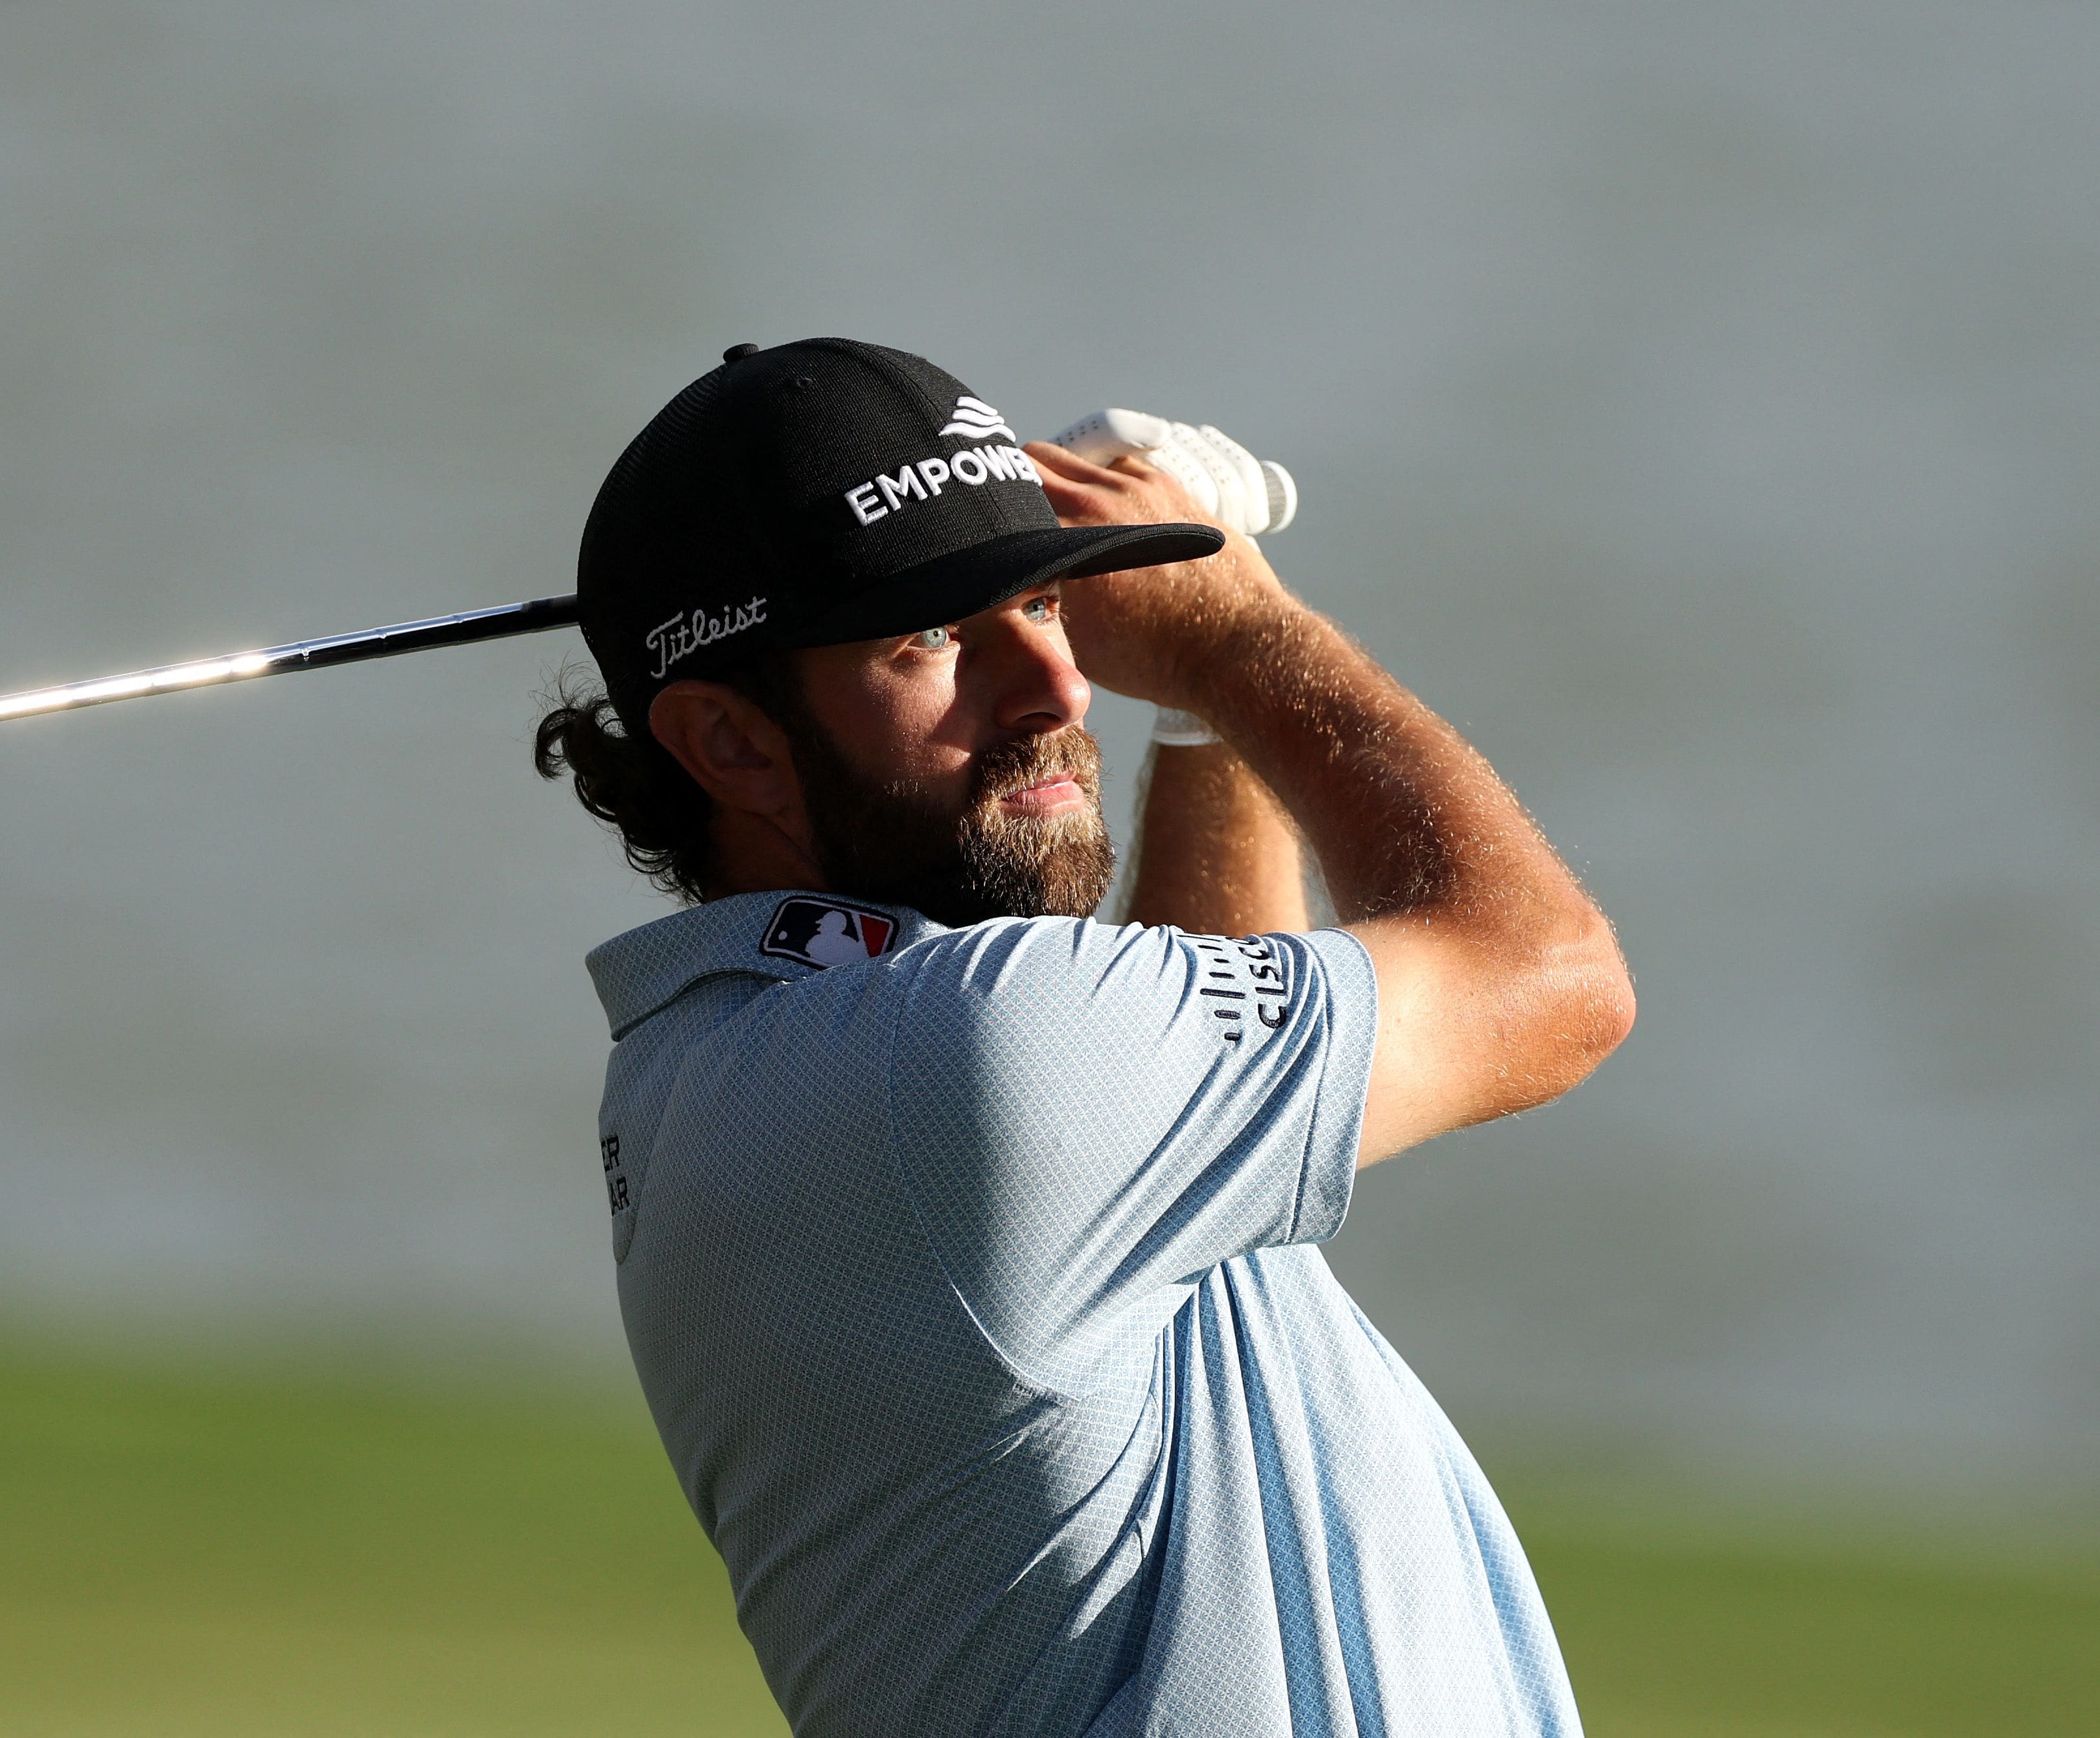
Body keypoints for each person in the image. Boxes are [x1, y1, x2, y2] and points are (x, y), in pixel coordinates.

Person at [536, 338, 1634, 1737]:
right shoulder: (948, 1054)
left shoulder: (759, 1051)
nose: (1053, 687)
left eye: (1044, 602)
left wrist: (1197, 719)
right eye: (932, 637)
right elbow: (1550, 980)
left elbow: (1190, 1094)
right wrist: (1231, 633)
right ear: (733, 743)